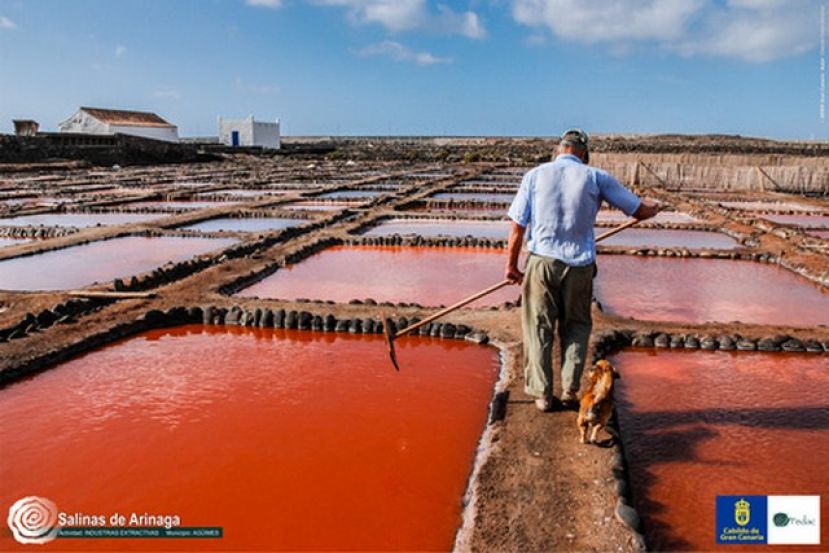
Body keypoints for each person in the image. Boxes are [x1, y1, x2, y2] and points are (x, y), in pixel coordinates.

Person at [504, 129, 659, 412]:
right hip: (579, 265)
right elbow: (637, 210)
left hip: (542, 263)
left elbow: (517, 227)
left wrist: (511, 266)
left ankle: (542, 394)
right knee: (576, 326)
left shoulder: (535, 175)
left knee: (538, 327)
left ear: (559, 149)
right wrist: (656, 209)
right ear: (584, 153)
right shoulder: (595, 177)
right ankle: (570, 389)